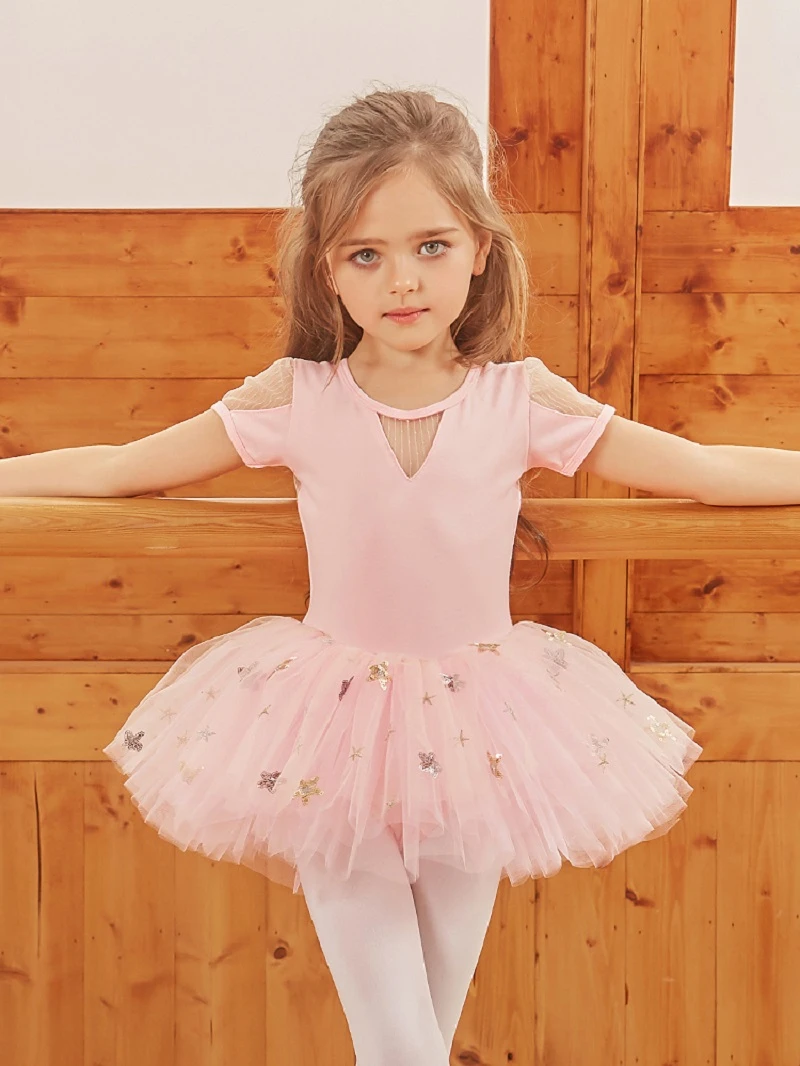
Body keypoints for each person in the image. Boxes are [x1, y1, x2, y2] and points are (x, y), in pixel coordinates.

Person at [4, 89, 799, 1065]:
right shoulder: (297, 398)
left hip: (482, 737)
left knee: (422, 1035)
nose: (401, 280)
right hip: (325, 740)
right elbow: (117, 467)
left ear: (478, 246)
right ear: (327, 267)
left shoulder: (521, 401)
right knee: (399, 1047)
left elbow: (711, 473)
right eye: (365, 254)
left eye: (429, 245)